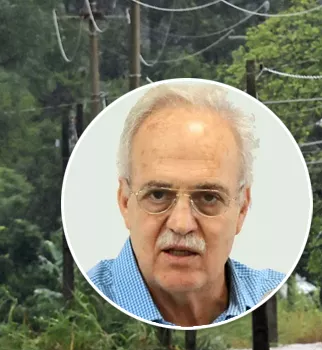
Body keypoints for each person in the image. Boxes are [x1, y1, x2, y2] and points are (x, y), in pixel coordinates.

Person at [87, 81, 285, 327]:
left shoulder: (269, 292)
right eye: (158, 195)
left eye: (208, 197)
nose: (181, 224)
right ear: (125, 202)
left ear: (242, 208)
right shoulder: (86, 306)